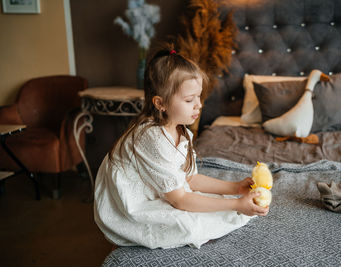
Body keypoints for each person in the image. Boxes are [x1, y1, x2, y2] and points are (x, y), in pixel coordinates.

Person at [94, 48, 269, 249]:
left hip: (169, 192)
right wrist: (237, 204)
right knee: (190, 226)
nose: (199, 105)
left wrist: (235, 188)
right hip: (133, 205)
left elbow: (190, 178)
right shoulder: (151, 137)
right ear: (161, 103)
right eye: (189, 100)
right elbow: (180, 200)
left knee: (219, 208)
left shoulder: (179, 130)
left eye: (198, 97)